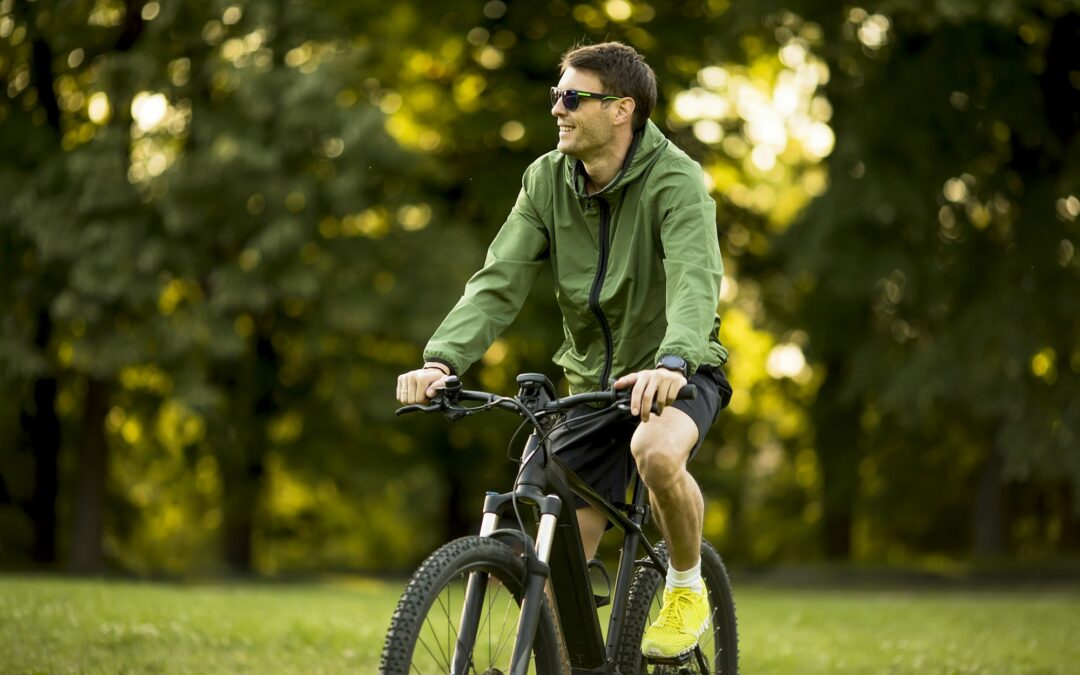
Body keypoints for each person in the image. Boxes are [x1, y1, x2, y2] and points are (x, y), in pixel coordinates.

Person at [395, 41, 732, 661]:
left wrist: (673, 361)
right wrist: (442, 360)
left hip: (678, 372)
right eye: (556, 95)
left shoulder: (676, 180)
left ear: (622, 109)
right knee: (541, 564)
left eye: (573, 98)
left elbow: (694, 278)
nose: (558, 109)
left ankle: (685, 585)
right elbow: (500, 280)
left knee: (654, 452)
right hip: (589, 389)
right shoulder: (545, 180)